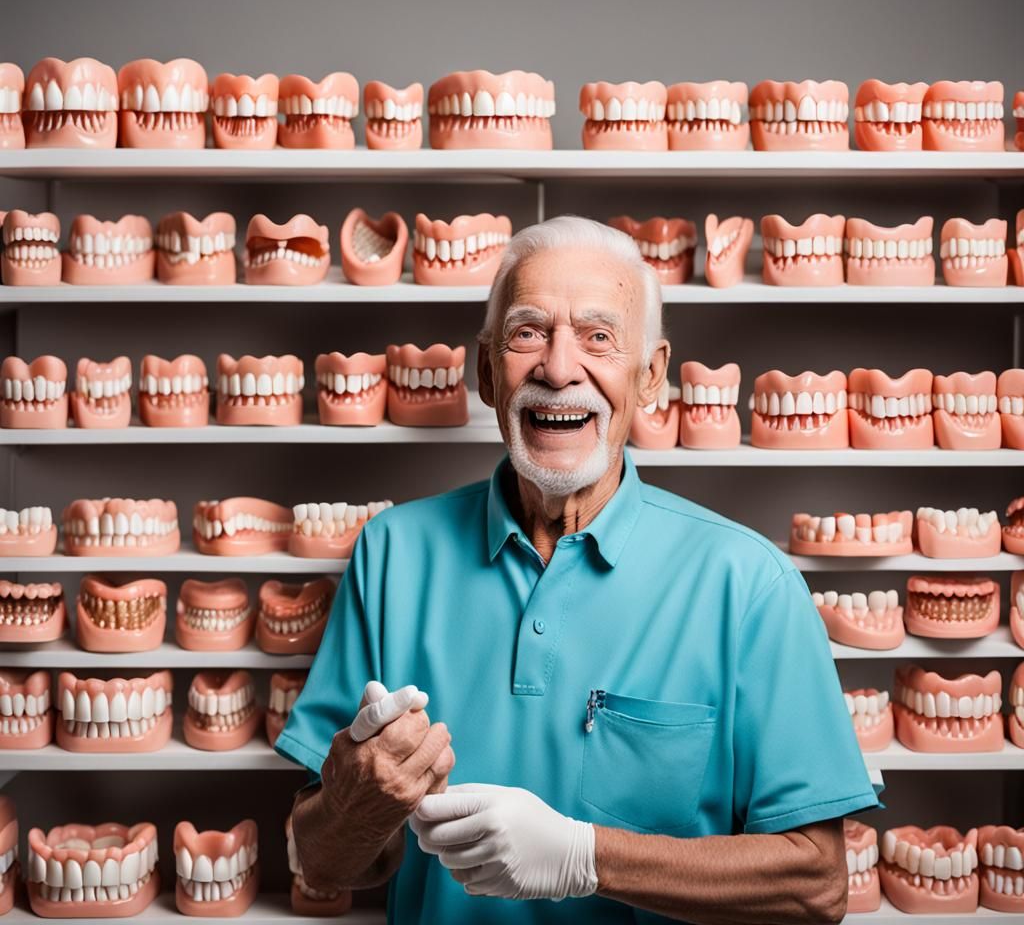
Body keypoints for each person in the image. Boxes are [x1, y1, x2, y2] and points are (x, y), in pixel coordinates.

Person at [276, 215, 877, 924]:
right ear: (484, 372)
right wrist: (358, 803)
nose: (559, 370)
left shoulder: (747, 584)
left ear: (649, 375)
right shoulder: (393, 554)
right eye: (528, 332)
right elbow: (325, 863)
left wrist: (585, 857)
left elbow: (816, 885)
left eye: (598, 336)